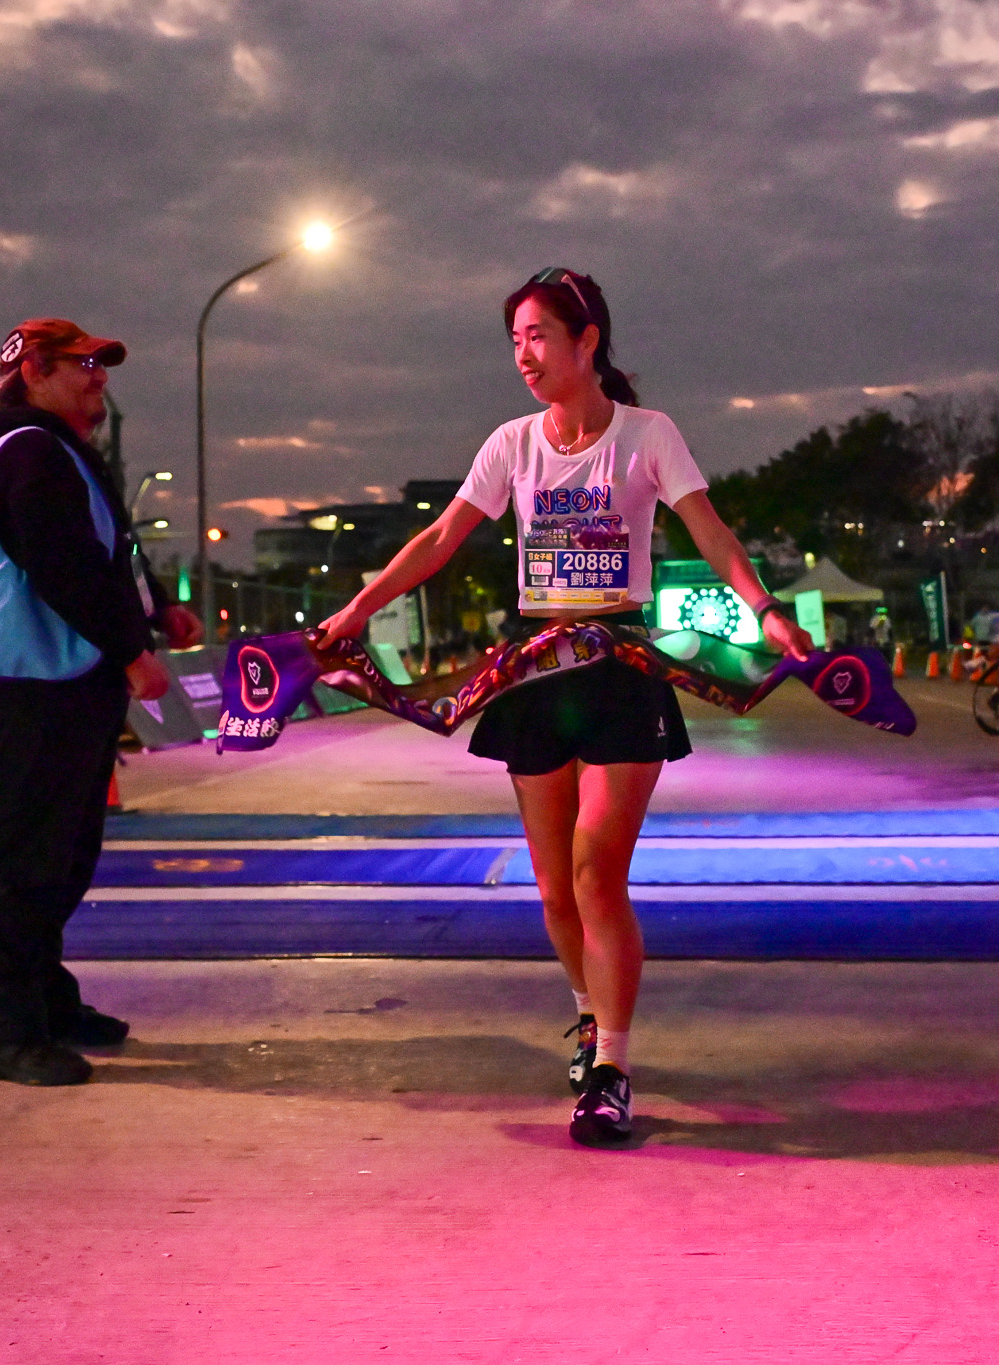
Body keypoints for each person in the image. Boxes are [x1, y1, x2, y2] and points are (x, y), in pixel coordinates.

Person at [319, 268, 812, 1144]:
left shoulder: (648, 435)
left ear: (588, 342)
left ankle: (613, 1068)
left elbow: (710, 530)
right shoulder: (511, 445)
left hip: (619, 666)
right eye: (514, 340)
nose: (523, 355)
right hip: (537, 669)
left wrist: (766, 609)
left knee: (595, 872)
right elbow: (440, 537)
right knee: (553, 888)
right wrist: (357, 610)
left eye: (539, 335)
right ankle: (589, 1013)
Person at [0, 318, 202, 1086]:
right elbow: (61, 563)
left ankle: (46, 1006)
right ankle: (4, 1037)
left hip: (58, 684)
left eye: (102, 363)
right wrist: (131, 652)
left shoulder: (59, 453)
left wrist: (157, 608)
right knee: (23, 862)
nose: (99, 377)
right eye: (83, 363)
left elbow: (106, 551)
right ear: (33, 370)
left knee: (60, 859)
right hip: (20, 687)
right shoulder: (26, 451)